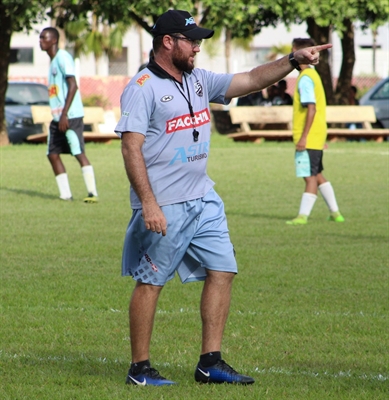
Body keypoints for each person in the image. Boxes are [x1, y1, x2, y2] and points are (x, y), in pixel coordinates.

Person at [115, 10, 331, 386]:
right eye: (191, 40)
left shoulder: (198, 79)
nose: (198, 47)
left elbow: (249, 79)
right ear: (168, 42)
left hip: (204, 197)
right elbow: (130, 146)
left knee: (224, 270)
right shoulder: (143, 86)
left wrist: (293, 61)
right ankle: (140, 368)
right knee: (151, 282)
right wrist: (148, 203)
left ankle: (209, 363)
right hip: (165, 203)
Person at [286, 38, 344, 225]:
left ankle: (302, 216)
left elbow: (311, 107)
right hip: (316, 136)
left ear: (297, 52)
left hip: (308, 138)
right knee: (317, 174)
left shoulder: (305, 80)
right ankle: (335, 213)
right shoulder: (314, 75)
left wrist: (303, 137)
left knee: (309, 177)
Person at [39, 27, 98, 203]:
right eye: (40, 37)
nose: (40, 40)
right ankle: (66, 195)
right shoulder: (52, 62)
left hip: (70, 115)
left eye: (44, 37)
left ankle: (92, 194)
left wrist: (65, 114)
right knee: (52, 154)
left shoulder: (63, 57)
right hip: (58, 117)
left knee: (77, 151)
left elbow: (73, 85)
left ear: (54, 40)